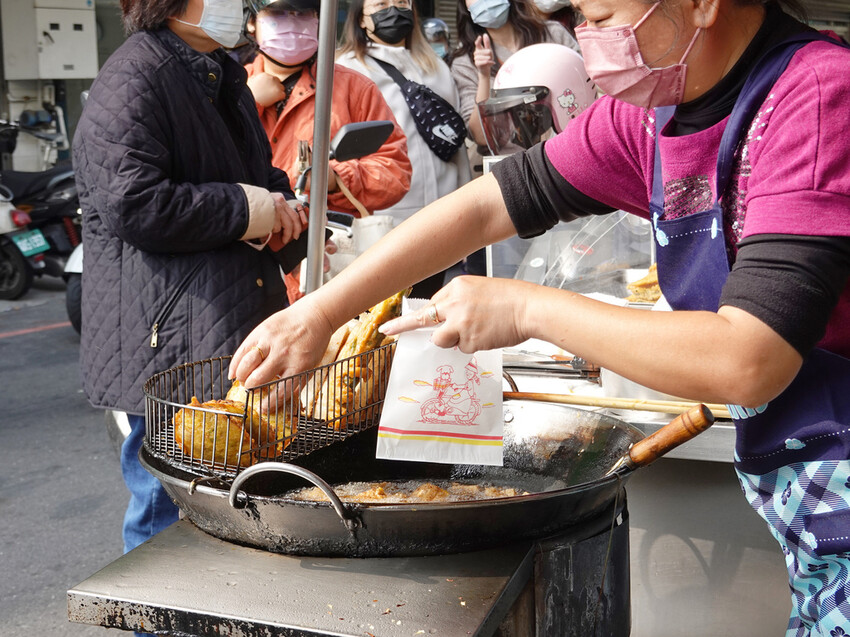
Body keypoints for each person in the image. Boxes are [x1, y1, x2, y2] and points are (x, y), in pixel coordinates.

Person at [230, 0, 850, 633]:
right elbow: (485, 207)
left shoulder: (817, 96)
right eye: (581, 17)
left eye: (605, 16)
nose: (592, 39)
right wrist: (320, 313)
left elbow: (749, 357)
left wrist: (526, 307)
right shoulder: (648, 118)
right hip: (808, 510)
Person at [73, 0, 307, 570]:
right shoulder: (133, 76)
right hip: (165, 338)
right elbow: (135, 203)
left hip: (220, 321)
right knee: (164, 514)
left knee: (226, 502)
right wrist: (251, 209)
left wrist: (286, 209)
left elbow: (257, 173)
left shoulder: (221, 73)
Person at [244, 0, 412, 301]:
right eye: (279, 13)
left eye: (303, 13)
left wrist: (336, 178)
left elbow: (395, 169)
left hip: (329, 270)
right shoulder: (228, 88)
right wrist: (247, 102)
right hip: (246, 271)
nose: (293, 22)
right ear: (251, 22)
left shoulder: (353, 87)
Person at [336, 0, 472, 298]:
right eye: (381, 3)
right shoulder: (347, 70)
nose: (393, 9)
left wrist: (466, 207)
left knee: (430, 308)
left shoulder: (436, 65)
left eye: (401, 2)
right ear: (361, 18)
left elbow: (455, 144)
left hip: (443, 217)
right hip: (387, 221)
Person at [448, 0, 580, 158]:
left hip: (569, 152)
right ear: (465, 6)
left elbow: (591, 87)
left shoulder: (553, 34)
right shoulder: (464, 63)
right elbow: (481, 137)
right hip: (510, 165)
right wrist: (483, 75)